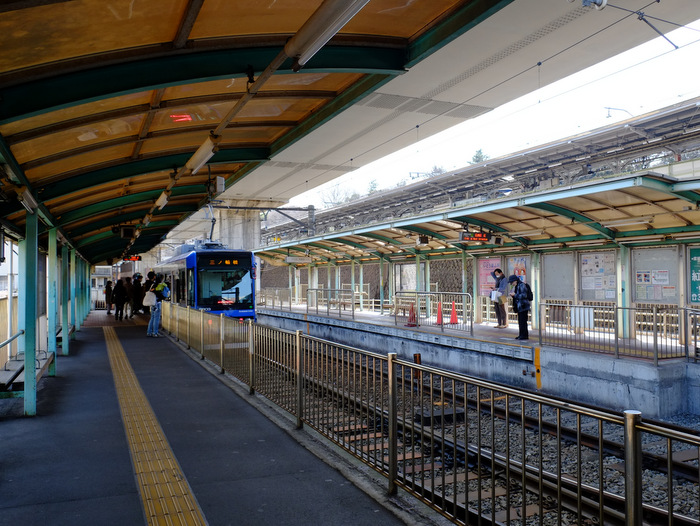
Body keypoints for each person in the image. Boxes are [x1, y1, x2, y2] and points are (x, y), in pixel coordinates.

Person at [508, 275, 530, 340]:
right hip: (520, 306)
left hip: (523, 306)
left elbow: (524, 295)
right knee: (520, 321)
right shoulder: (517, 286)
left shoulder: (522, 285)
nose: (511, 284)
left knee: (523, 321)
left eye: (512, 282)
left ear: (515, 281)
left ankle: (524, 335)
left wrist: (515, 295)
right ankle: (521, 334)